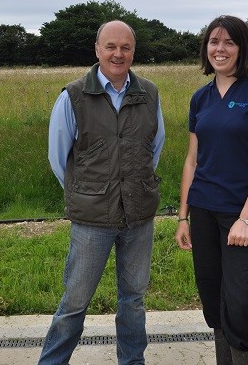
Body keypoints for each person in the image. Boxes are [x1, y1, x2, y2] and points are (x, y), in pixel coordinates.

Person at [39, 20, 165, 365]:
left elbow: (154, 148)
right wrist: (88, 195)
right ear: (97, 50)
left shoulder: (149, 93)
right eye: (110, 46)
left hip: (138, 217)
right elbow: (58, 158)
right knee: (74, 302)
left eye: (125, 47)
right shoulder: (74, 96)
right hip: (92, 219)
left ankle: (132, 361)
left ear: (133, 52)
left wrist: (131, 187)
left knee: (133, 300)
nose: (118, 54)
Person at [174, 15, 248, 365]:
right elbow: (192, 160)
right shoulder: (200, 98)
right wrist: (183, 216)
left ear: (242, 48)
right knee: (213, 297)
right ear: (206, 49)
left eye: (229, 42)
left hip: (241, 217)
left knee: (241, 302)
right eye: (213, 42)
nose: (220, 49)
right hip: (203, 210)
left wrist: (246, 218)